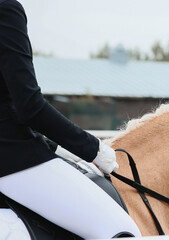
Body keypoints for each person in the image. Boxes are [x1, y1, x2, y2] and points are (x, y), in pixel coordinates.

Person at [0, 0, 141, 238]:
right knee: (122, 231)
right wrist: (93, 148)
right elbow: (29, 107)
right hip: (11, 158)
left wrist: (56, 147)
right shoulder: (6, 8)